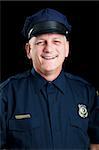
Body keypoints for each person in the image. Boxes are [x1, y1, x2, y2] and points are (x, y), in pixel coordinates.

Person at [0, 8, 99, 150]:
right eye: (41, 42)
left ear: (67, 49)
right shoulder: (6, 94)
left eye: (56, 41)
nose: (49, 49)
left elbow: (96, 144)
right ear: (28, 50)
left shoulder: (87, 92)